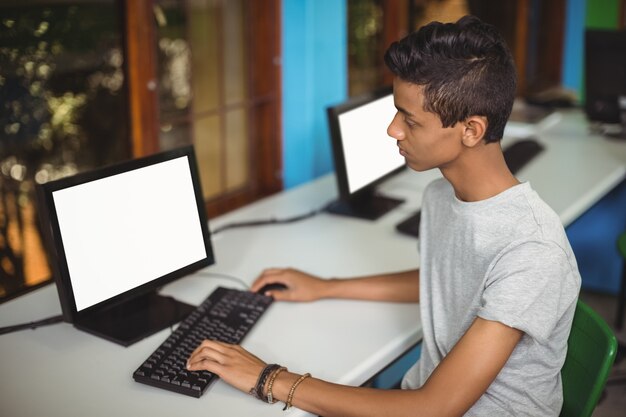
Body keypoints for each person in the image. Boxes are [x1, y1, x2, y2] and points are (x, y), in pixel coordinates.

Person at [187, 15, 581, 416]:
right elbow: (448, 280)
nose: (393, 130)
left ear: (472, 130)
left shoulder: (533, 251)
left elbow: (433, 409)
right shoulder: (442, 196)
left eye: (410, 119)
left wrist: (269, 379)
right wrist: (326, 286)